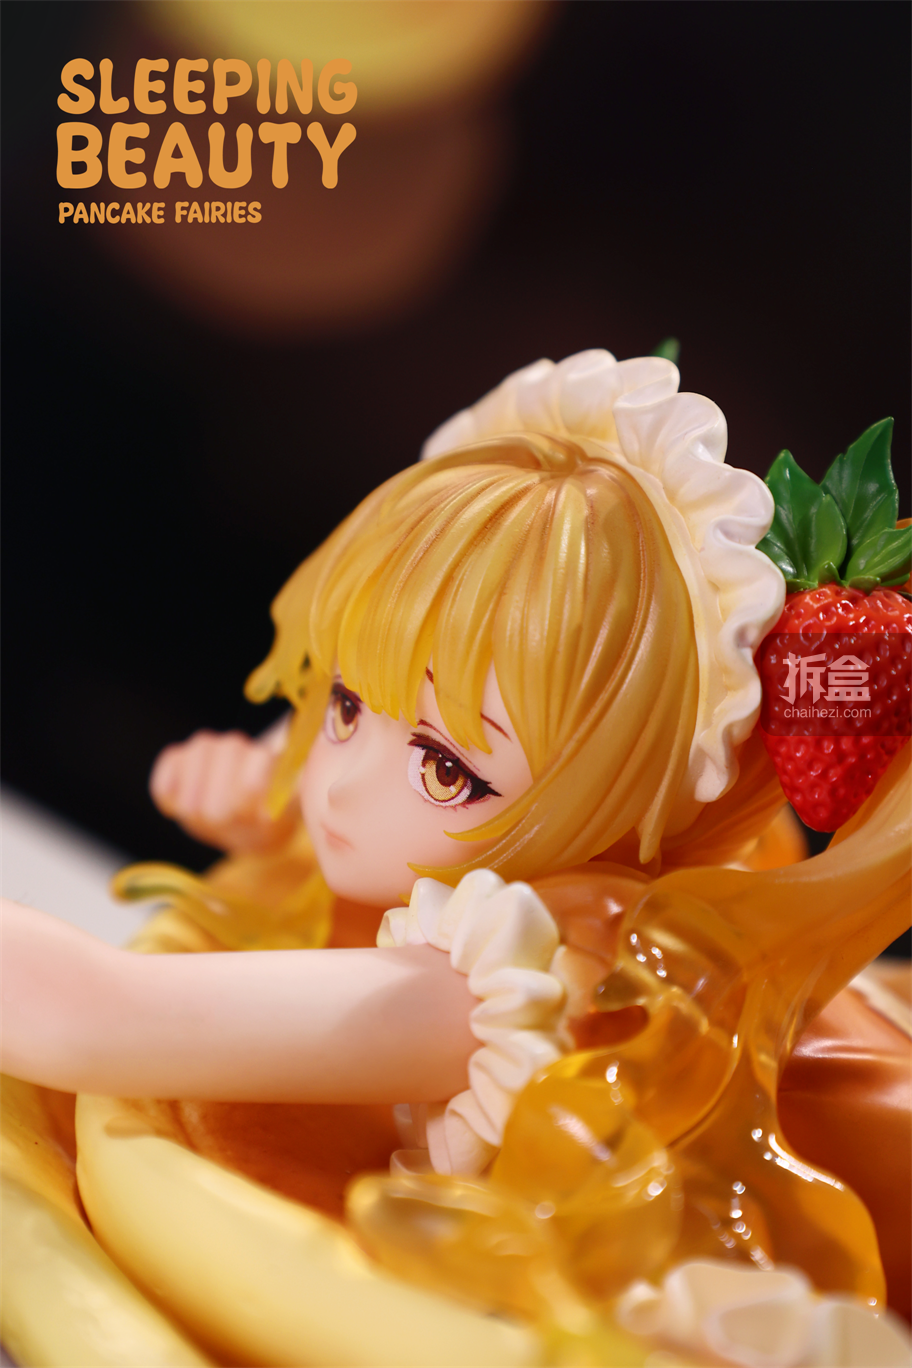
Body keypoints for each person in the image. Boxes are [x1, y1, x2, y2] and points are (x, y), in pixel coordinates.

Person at [2, 351, 909, 1366]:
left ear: (613, 812)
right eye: (347, 703)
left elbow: (88, 1013)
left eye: (444, 769)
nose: (338, 788)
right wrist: (268, 809)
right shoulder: (621, 887)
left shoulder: (522, 979)